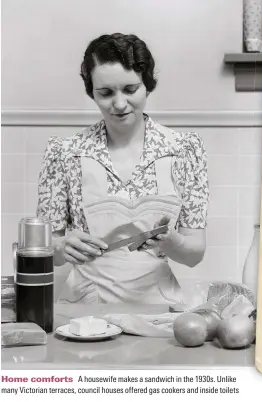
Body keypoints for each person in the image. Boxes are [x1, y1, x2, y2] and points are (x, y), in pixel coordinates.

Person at [37, 33, 209, 305]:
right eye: (105, 93)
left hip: (159, 306)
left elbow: (194, 255)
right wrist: (59, 247)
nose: (118, 104)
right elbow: (44, 250)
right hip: (85, 310)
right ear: (91, 92)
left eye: (130, 90)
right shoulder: (65, 152)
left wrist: (172, 241)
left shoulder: (184, 149)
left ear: (148, 86)